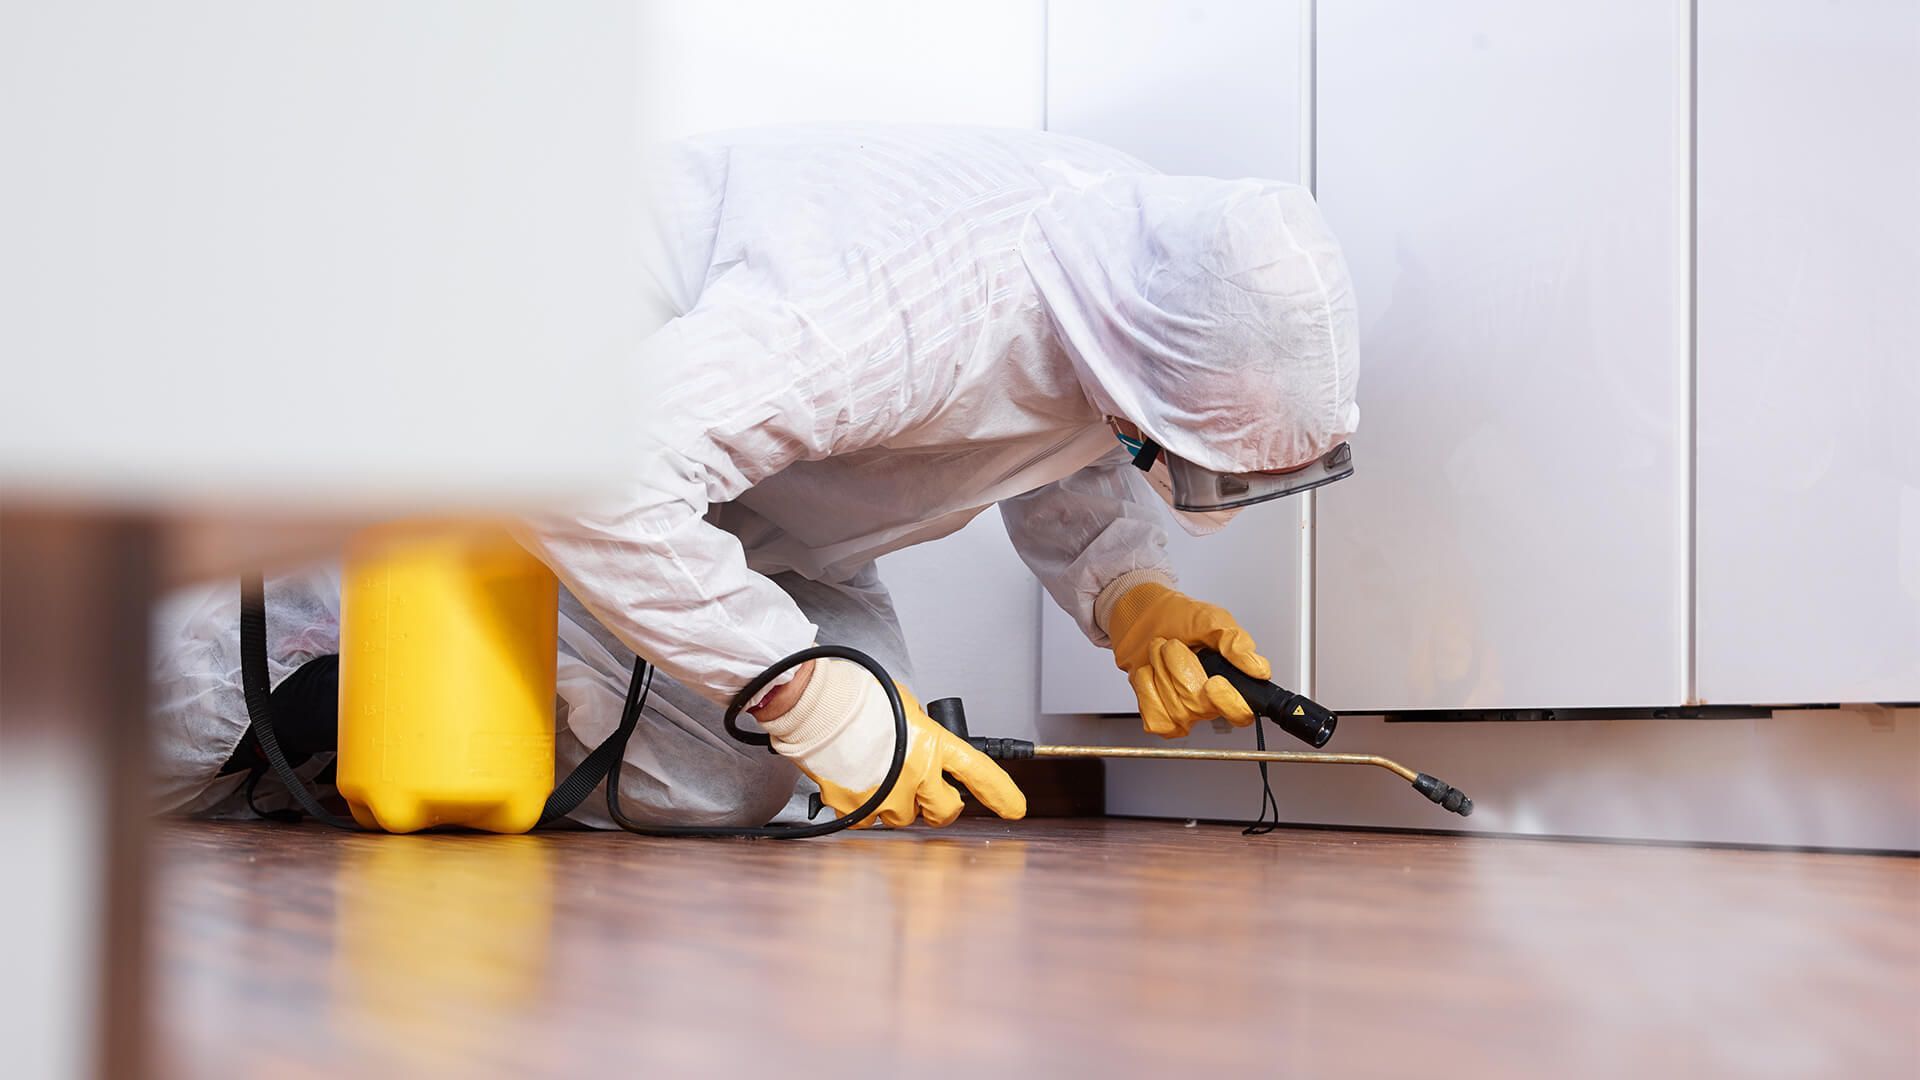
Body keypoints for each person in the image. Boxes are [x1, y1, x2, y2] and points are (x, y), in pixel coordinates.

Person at [151, 126, 1358, 829]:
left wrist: (1127, 593)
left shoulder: (1120, 265)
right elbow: (603, 472)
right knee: (155, 713)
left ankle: (411, 716)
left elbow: (1055, 413)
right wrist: (804, 696)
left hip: (721, 491)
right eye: (1169, 454)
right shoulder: (902, 304)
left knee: (808, 767)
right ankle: (326, 691)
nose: (1151, 463)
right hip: (527, 437)